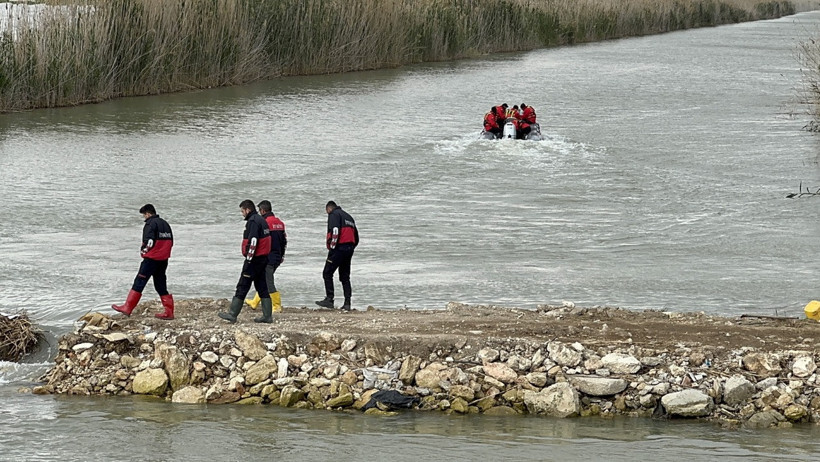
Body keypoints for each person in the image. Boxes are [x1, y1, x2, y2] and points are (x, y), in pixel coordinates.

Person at [112, 204, 175, 320]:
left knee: (139, 282)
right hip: (163, 260)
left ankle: (127, 307)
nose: (144, 218)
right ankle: (169, 312)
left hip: (151, 260)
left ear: (148, 214)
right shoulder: (165, 224)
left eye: (144, 215)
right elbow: (171, 242)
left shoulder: (150, 224)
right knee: (160, 285)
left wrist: (143, 252)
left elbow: (149, 241)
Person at [219, 200, 273, 323]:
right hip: (263, 259)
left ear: (247, 210)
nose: (242, 214)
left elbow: (253, 241)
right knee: (262, 286)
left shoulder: (253, 222)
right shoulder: (261, 220)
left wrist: (249, 259)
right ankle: (267, 316)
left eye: (242, 211)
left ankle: (232, 314)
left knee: (243, 285)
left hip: (254, 260)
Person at [245, 200, 287, 313]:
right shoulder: (280, 223)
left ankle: (277, 305)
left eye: (259, 210)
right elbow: (284, 241)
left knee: (268, 281)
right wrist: (282, 255)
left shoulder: (264, 223)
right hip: (278, 256)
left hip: (268, 257)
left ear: (263, 211)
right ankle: (255, 301)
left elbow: (262, 241)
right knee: (263, 279)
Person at [315, 201, 359, 311]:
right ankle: (347, 302)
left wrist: (332, 248)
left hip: (339, 248)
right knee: (345, 276)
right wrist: (351, 248)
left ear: (328, 209)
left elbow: (335, 231)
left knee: (327, 273)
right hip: (349, 248)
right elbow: (356, 237)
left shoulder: (334, 214)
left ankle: (329, 299)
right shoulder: (349, 217)